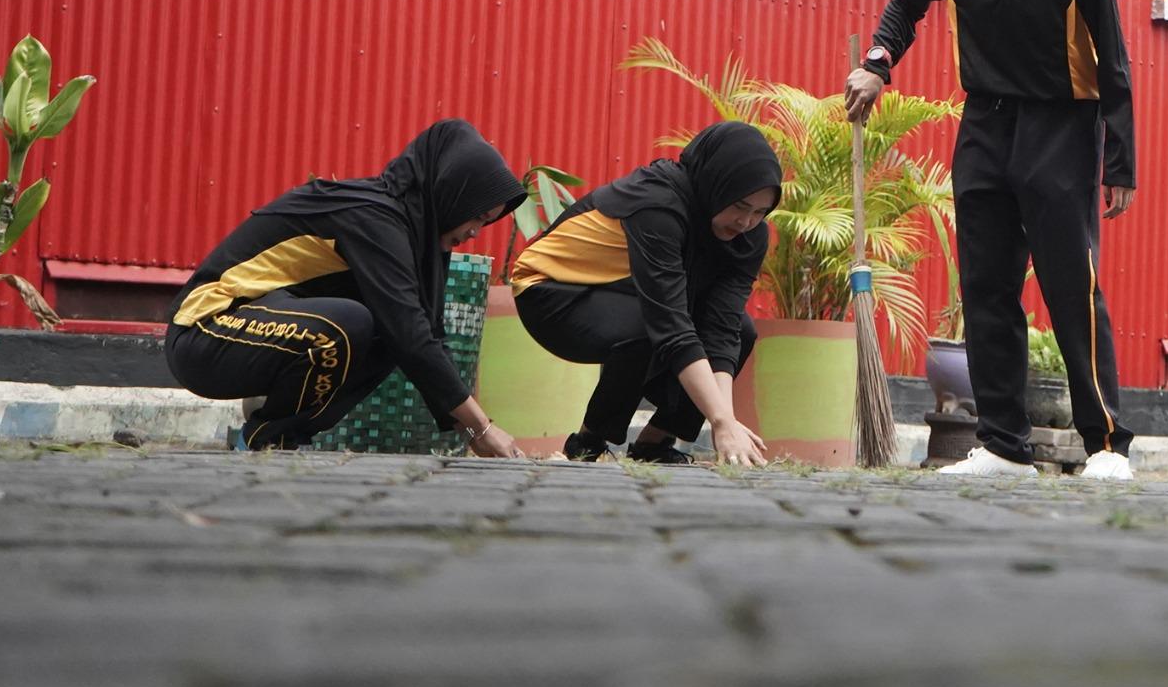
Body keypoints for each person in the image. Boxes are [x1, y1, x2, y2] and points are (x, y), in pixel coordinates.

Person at [845, 0, 1137, 481]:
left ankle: (1107, 445)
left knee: (1070, 288)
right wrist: (877, 62)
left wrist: (1119, 161)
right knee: (985, 287)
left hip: (1062, 128)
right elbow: (907, 1)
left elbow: (1113, 58)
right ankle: (1005, 445)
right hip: (985, 128)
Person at [167, 119, 527, 455]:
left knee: (385, 333)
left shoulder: (413, 233)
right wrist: (481, 428)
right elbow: (412, 336)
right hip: (204, 331)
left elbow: (425, 334)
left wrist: (471, 433)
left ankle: (272, 438)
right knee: (356, 323)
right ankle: (271, 435)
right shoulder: (373, 217)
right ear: (452, 194)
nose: (476, 232)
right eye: (478, 216)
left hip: (253, 330)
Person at [509, 121, 780, 467]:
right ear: (717, 184)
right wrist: (720, 420)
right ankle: (587, 443)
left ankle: (654, 444)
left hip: (622, 291)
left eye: (760, 212)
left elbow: (723, 328)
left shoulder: (750, 237)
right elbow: (669, 323)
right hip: (549, 291)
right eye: (740, 206)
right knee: (648, 327)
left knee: (742, 331)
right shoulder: (658, 206)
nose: (746, 222)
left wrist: (723, 415)